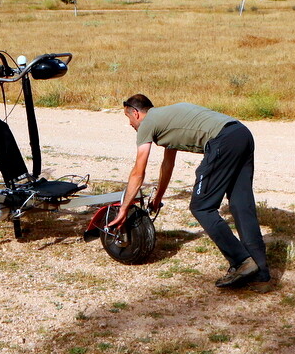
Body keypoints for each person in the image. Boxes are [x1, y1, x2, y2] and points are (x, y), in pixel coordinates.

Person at [107, 94, 271, 290]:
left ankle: (241, 261)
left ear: (136, 113)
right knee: (240, 204)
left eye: (129, 118)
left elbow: (138, 172)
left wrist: (124, 208)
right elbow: (168, 164)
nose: (130, 124)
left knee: (202, 207)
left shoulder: (148, 122)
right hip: (241, 133)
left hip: (222, 141)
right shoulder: (167, 117)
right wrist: (158, 197)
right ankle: (260, 273)